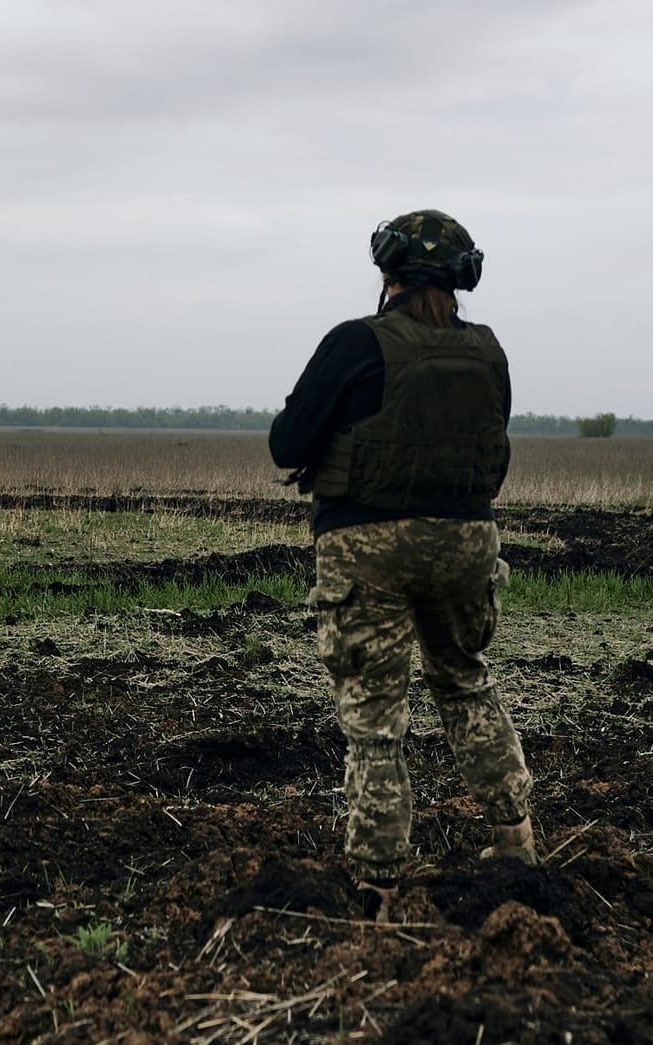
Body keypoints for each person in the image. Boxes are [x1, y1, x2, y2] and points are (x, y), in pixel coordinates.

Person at [269, 209, 538, 922]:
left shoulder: (356, 343)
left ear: (386, 274)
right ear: (460, 280)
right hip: (465, 543)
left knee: (376, 717)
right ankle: (515, 836)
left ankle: (381, 881)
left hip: (367, 546)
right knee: (465, 682)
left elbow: (287, 441)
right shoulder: (489, 353)